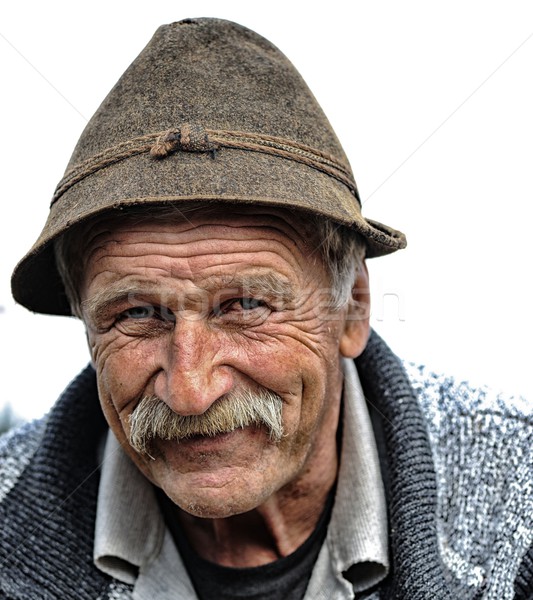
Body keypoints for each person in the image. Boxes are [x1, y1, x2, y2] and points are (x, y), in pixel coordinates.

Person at [0, 18, 531, 600]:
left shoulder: (517, 497)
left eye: (246, 305)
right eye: (137, 315)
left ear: (351, 310)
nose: (190, 390)